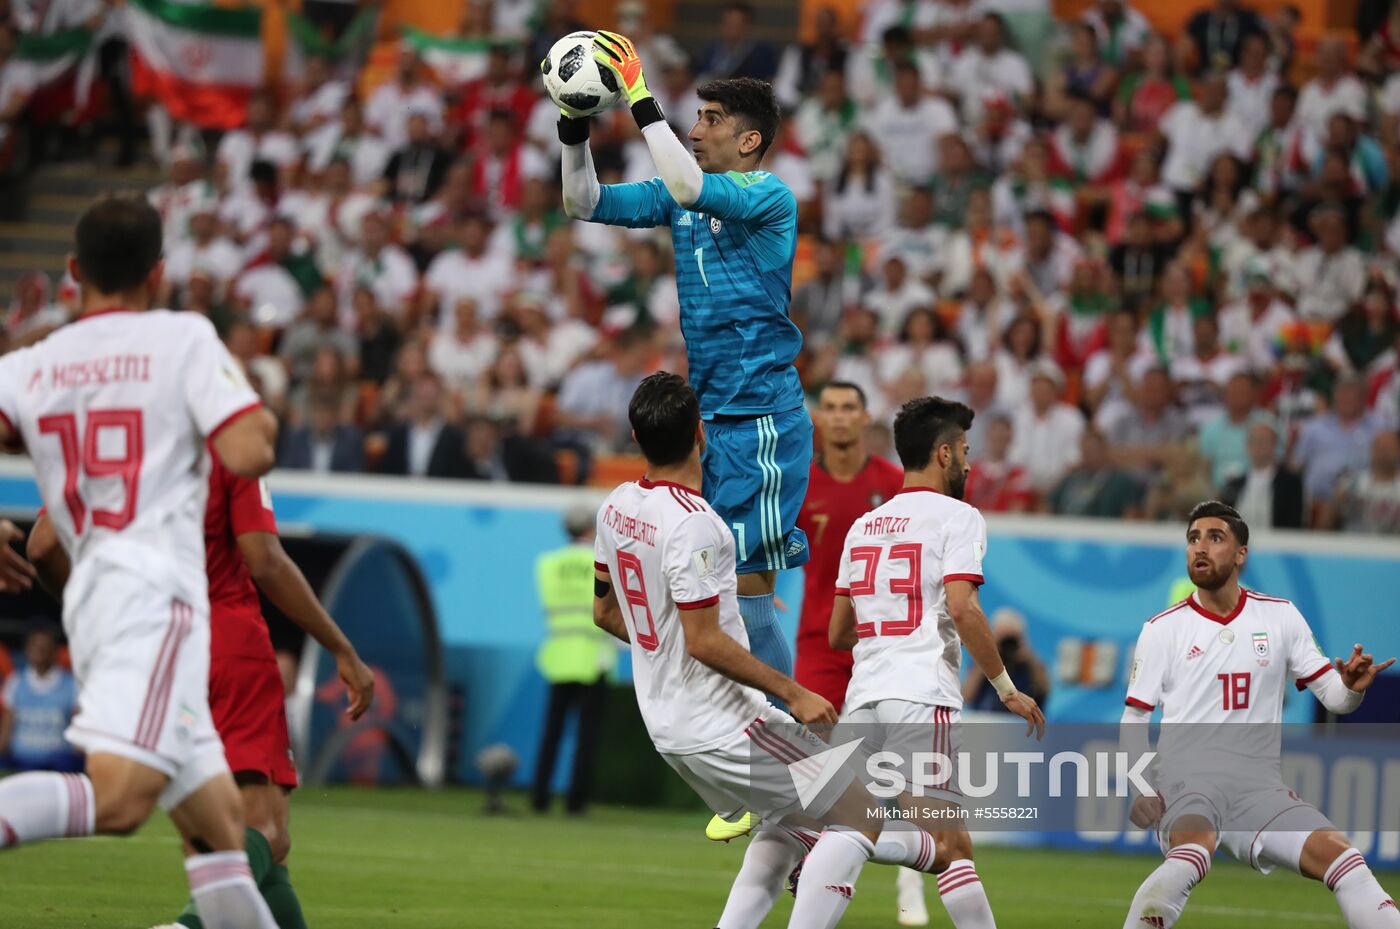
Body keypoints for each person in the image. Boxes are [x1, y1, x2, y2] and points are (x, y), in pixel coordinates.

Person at [0, 195, 280, 929]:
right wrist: (255, 411)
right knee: (121, 800)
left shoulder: (30, 363)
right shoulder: (182, 339)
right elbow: (249, 449)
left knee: (224, 837)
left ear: (72, 272)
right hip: (156, 593)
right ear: (156, 275)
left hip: (93, 598)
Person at [593, 374, 960, 929]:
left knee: (787, 827)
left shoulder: (617, 506)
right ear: (701, 434)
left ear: (637, 436)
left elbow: (604, 613)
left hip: (668, 725)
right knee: (858, 812)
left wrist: (667, 651)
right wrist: (793, 691)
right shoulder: (698, 526)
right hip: (725, 722)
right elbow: (704, 640)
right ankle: (941, 856)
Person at [557, 39, 810, 708]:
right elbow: (582, 203)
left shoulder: (768, 194)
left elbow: (685, 183)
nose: (695, 129)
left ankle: (794, 734)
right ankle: (755, 747)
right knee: (714, 588)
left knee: (750, 590)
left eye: (710, 119)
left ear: (750, 139)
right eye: (693, 117)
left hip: (761, 419)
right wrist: (572, 125)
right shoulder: (683, 199)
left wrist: (639, 94)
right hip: (712, 422)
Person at [27, 452, 375, 929]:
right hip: (225, 642)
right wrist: (341, 647)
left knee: (268, 859)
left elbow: (43, 546)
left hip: (150, 649)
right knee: (262, 830)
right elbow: (265, 561)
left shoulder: (109, 436)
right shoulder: (228, 438)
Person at [1120, 500, 1397, 929]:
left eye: (1215, 538)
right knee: (1193, 851)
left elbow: (1335, 699)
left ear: (1241, 553)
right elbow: (1135, 718)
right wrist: (1138, 788)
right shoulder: (1163, 629)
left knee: (1347, 862)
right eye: (1193, 538)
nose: (1201, 548)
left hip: (1258, 789)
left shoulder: (1280, 616)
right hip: (1187, 782)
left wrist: (1353, 690)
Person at [827, 396, 1046, 928]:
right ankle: (805, 831)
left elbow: (838, 632)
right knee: (948, 844)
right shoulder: (958, 517)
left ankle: (810, 833)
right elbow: (963, 606)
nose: (970, 462)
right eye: (966, 450)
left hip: (864, 696)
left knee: (856, 830)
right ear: (944, 453)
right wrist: (1004, 686)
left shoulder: (863, 526)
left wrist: (887, 615)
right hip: (920, 695)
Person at [789, 382, 919, 924]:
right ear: (820, 417)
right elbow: (770, 543)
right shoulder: (799, 483)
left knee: (903, 771)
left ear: (866, 417)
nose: (841, 418)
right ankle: (813, 861)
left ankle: (910, 884)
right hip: (820, 642)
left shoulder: (894, 484)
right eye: (832, 408)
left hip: (885, 649)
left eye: (850, 408)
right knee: (815, 760)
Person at [531, 505, 615, 815]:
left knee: (551, 732)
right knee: (586, 737)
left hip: (558, 655)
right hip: (595, 658)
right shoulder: (603, 563)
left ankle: (539, 798)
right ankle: (575, 803)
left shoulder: (548, 564)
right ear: (592, 529)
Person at [0, 625, 81, 772]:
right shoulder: (15, 683)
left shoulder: (72, 686)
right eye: (35, 645)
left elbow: (79, 735)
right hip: (21, 763)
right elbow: (5, 733)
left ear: (56, 650)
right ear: (27, 649)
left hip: (58, 764)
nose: (40, 650)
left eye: (45, 646)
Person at [1220, 420, 1305, 529]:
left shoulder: (1290, 483)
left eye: (1263, 441)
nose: (1258, 445)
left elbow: (1293, 524)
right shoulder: (1234, 483)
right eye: (1254, 441)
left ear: (1274, 445)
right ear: (1247, 446)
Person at [962, 608, 1051, 712]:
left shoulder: (1029, 662)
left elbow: (1044, 690)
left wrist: (1029, 657)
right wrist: (989, 654)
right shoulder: (982, 662)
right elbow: (967, 696)